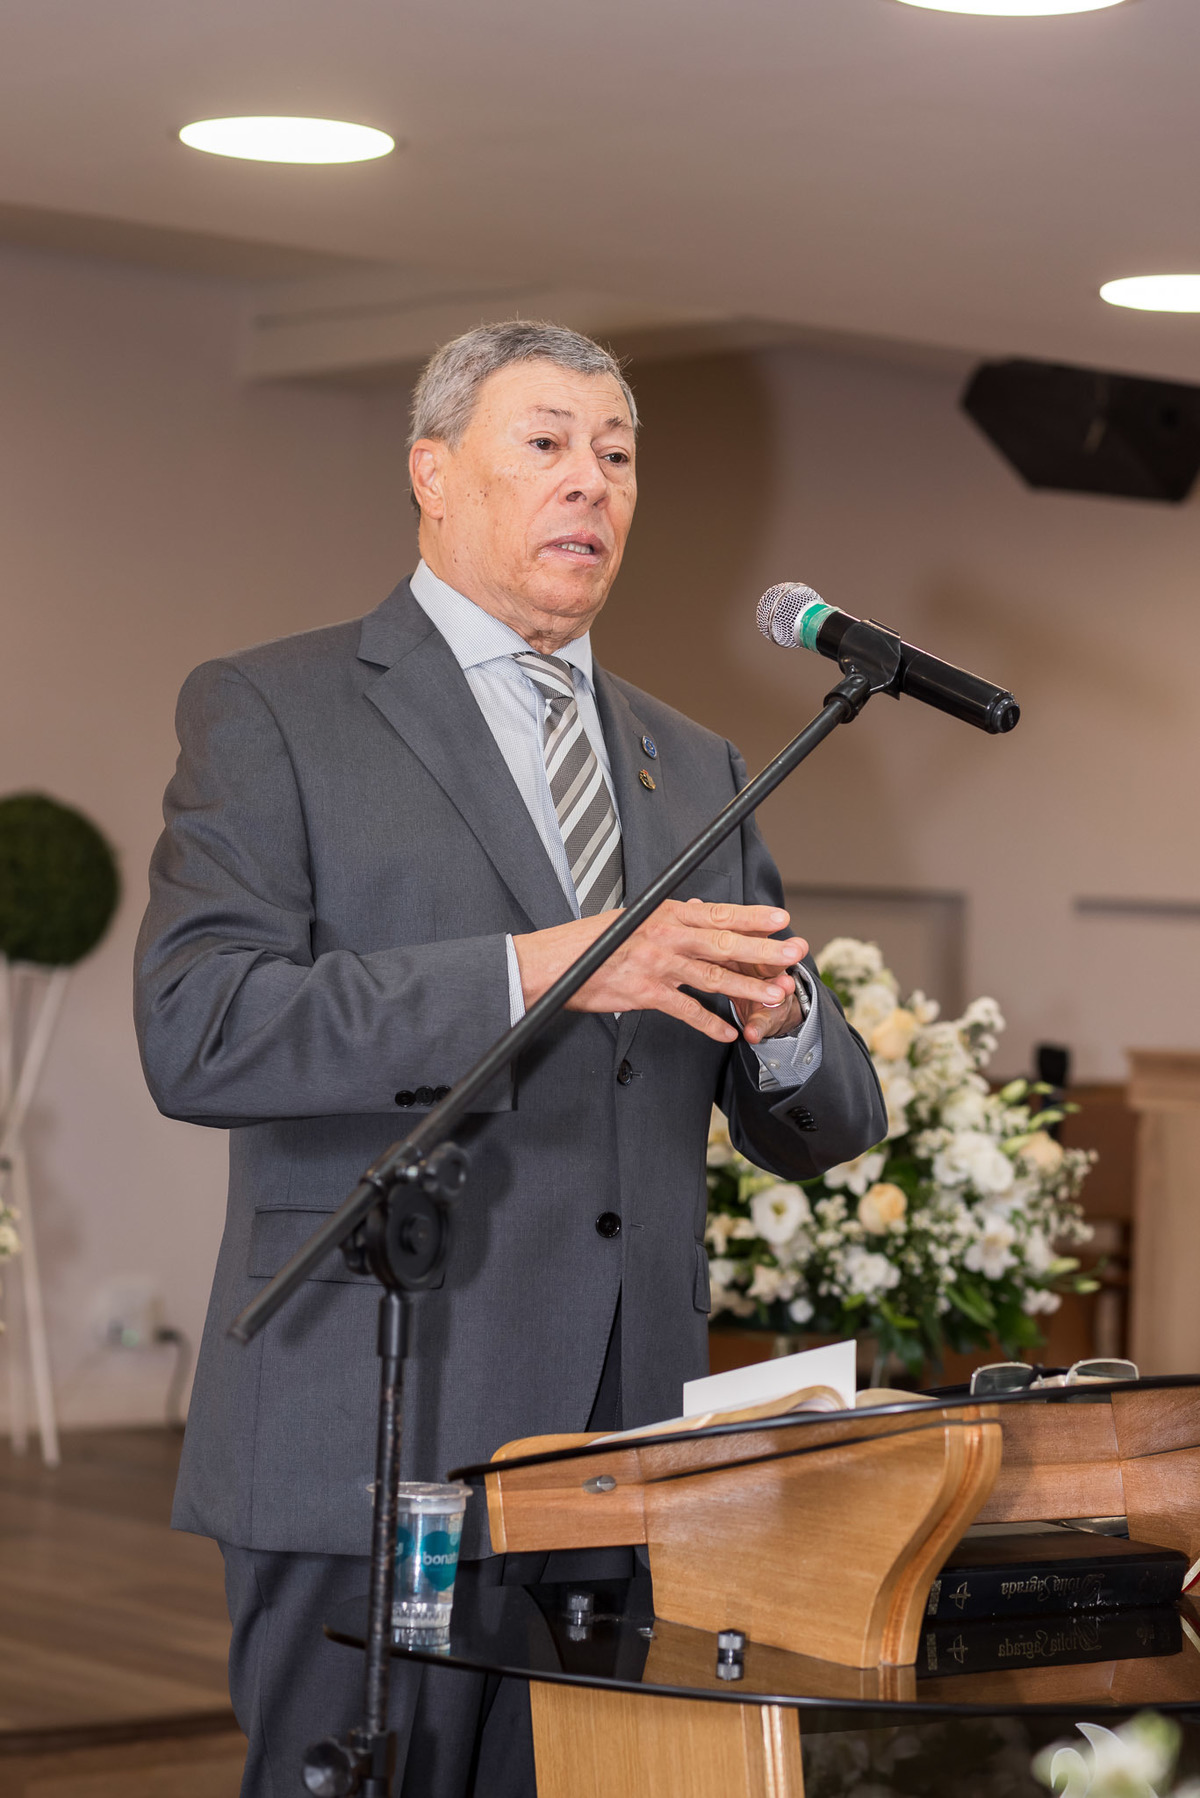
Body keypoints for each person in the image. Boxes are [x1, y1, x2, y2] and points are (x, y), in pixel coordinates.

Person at [135, 321, 886, 1798]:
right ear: (432, 472)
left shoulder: (700, 761)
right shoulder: (276, 711)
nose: (589, 483)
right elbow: (201, 1025)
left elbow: (828, 1116)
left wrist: (788, 1023)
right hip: (375, 1412)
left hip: (619, 1446)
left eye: (616, 454)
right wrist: (541, 968)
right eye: (544, 444)